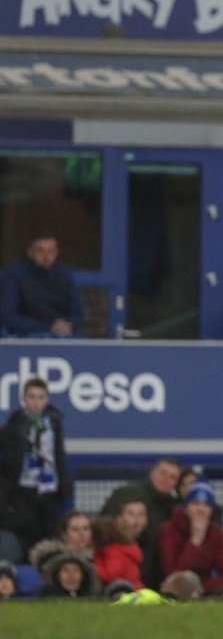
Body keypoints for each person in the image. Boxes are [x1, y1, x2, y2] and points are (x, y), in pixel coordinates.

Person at [0, 378, 72, 555]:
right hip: (24, 489)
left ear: (47, 399)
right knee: (25, 533)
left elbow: (59, 454)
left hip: (49, 488)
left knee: (49, 534)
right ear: (24, 399)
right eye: (31, 397)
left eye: (41, 397)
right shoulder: (14, 424)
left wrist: (64, 483)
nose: (36, 402)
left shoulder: (54, 422)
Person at [100, 457, 180, 587]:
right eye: (162, 473)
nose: (166, 479)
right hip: (121, 558)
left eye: (172, 477)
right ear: (152, 473)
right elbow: (104, 526)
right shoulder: (128, 492)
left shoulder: (173, 507)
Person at [156, 481, 223, 596]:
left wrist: (202, 587)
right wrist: (195, 542)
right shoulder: (169, 530)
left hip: (205, 588)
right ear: (186, 508)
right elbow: (173, 575)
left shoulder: (215, 532)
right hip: (173, 589)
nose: (200, 509)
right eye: (195, 503)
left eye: (206, 505)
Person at [0, 232, 83, 337]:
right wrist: (49, 327)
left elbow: (77, 311)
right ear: (30, 252)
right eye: (40, 251)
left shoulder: (64, 274)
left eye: (51, 251)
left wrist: (69, 324)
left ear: (57, 252)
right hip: (25, 334)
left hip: (62, 332)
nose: (46, 256)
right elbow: (8, 317)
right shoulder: (14, 275)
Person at [92, 514, 144, 591]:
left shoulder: (115, 552)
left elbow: (110, 576)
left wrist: (95, 565)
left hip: (128, 590)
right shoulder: (122, 548)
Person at [34, 544, 100, 598]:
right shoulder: (45, 600)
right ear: (57, 575)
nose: (71, 575)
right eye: (65, 570)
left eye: (76, 570)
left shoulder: (93, 600)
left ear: (83, 575)